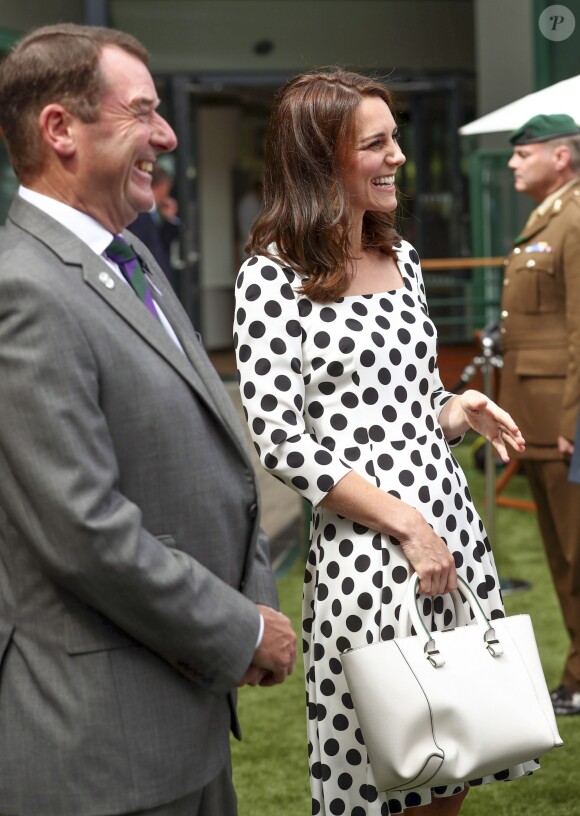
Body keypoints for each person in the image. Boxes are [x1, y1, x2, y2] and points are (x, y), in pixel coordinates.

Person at [0, 23, 296, 816]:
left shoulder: (132, 258)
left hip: (182, 716)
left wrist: (254, 601)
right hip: (104, 748)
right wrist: (239, 629)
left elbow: (214, 456)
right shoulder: (23, 290)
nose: (166, 135)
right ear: (60, 130)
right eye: (143, 112)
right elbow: (83, 529)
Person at [234, 69, 532, 816]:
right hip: (373, 550)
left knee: (461, 751)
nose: (398, 156)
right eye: (377, 143)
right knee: (387, 772)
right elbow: (279, 438)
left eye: (395, 137)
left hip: (450, 529)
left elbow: (404, 404)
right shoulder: (271, 275)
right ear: (320, 159)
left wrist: (457, 406)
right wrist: (404, 524)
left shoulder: (403, 260)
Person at [498, 112, 580, 718]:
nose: (511, 163)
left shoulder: (574, 219)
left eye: (522, 153)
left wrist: (574, 421)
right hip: (541, 413)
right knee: (560, 555)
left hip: (564, 420)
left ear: (560, 157)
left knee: (577, 555)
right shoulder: (549, 217)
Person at [129, 163, 181, 288]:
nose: (167, 194)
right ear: (161, 186)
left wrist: (169, 219)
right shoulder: (138, 214)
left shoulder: (155, 213)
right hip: (148, 283)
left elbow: (164, 244)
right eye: (167, 188)